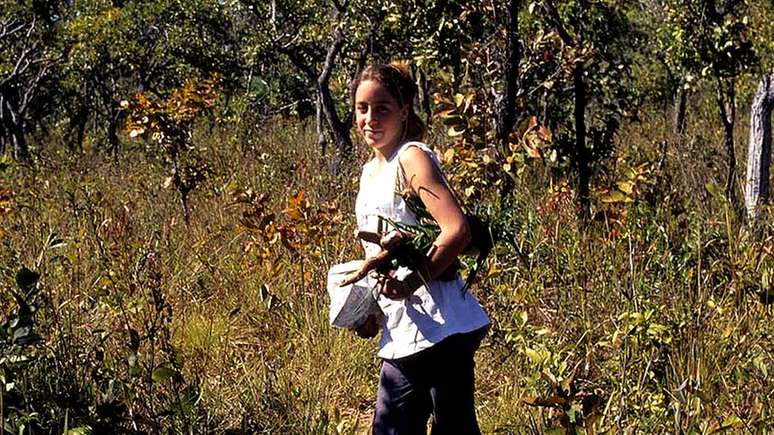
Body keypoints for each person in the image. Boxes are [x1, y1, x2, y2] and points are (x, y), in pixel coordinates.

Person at [351, 62, 490, 435]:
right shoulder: (370, 170)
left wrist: (412, 282)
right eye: (362, 108)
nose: (370, 118)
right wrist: (369, 312)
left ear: (404, 110)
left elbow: (456, 229)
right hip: (408, 326)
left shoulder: (411, 158)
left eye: (381, 108)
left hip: (439, 325)